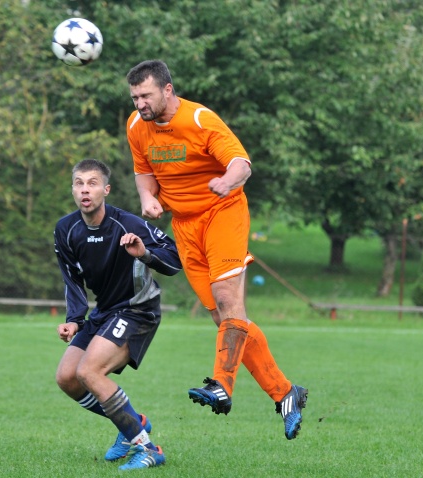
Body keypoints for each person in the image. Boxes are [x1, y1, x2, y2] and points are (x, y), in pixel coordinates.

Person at [125, 59, 308, 440]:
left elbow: (242, 164)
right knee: (225, 318)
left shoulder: (200, 120)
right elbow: (144, 172)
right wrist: (148, 198)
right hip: (185, 226)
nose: (140, 104)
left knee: (228, 298)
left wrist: (226, 181)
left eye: (146, 96)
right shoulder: (136, 126)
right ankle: (285, 392)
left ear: (168, 90)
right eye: (135, 97)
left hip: (223, 212)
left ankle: (222, 385)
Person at [53, 159, 182, 470]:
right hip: (104, 311)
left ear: (106, 190)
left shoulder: (128, 224)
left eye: (92, 183)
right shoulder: (66, 229)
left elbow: (174, 258)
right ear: (73, 190)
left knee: (89, 372)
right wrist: (74, 320)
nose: (85, 190)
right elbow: (72, 279)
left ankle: (148, 449)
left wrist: (145, 253)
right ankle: (132, 424)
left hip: (138, 310)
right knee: (68, 378)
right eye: (79, 183)